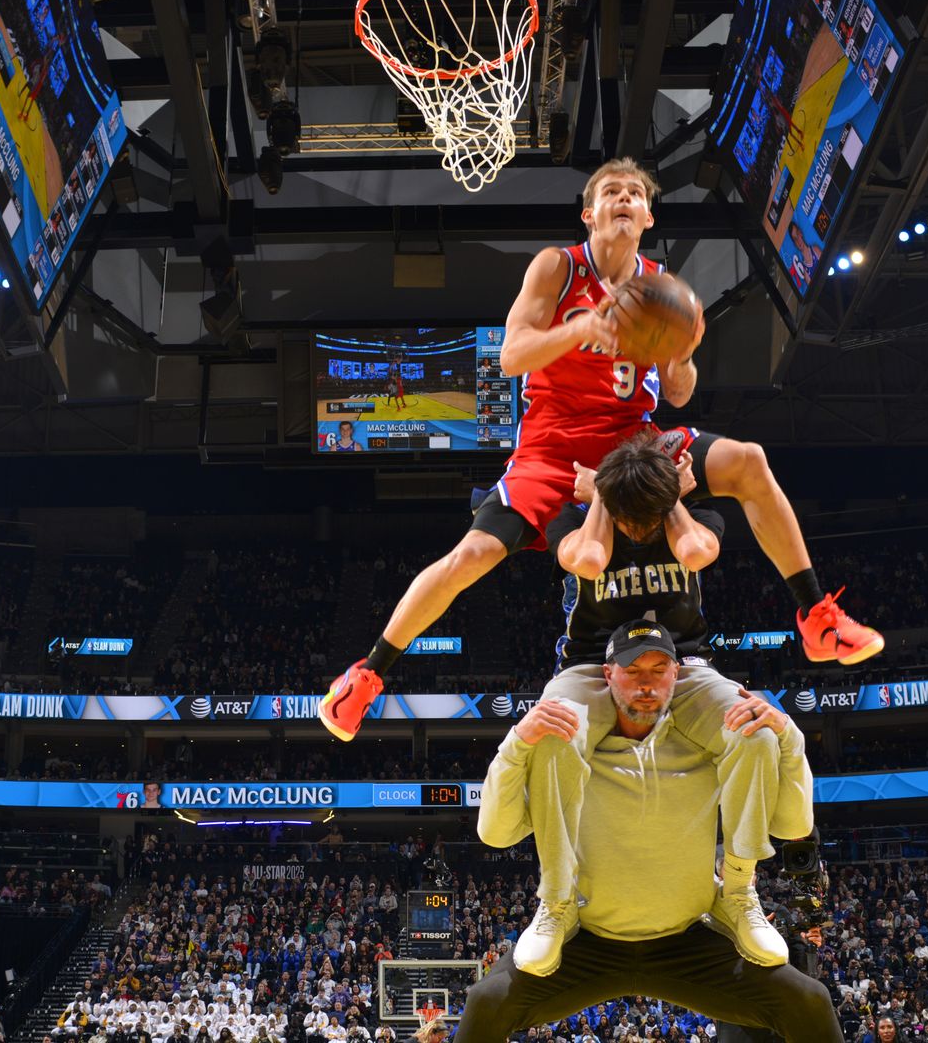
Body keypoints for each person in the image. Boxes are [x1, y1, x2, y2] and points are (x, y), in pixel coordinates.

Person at [319, 158, 883, 740]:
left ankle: (817, 617)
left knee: (749, 461)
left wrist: (682, 355)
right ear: (589, 214)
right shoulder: (557, 269)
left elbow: (681, 392)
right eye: (610, 191)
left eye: (634, 193)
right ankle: (366, 675)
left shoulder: (664, 288)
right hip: (552, 447)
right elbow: (511, 356)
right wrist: (581, 328)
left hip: (635, 441)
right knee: (473, 556)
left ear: (646, 215)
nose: (623, 198)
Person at [506, 434, 813, 977]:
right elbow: (588, 559)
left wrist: (672, 498)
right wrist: (601, 496)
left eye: (647, 516)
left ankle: (739, 892)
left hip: (686, 666)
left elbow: (696, 551)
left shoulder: (689, 520)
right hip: (590, 667)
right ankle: (555, 901)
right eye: (629, 516)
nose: (638, 529)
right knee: (553, 737)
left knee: (754, 731)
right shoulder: (577, 524)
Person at [450, 619, 835, 1043]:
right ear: (608, 675)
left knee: (809, 1001)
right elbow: (496, 833)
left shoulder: (710, 742)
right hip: (590, 939)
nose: (646, 685)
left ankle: (740, 897)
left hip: (687, 940)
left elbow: (795, 825)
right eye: (633, 671)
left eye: (658, 670)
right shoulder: (568, 745)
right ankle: (555, 906)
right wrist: (517, 741)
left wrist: (788, 736)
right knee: (486, 1001)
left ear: (678, 675)